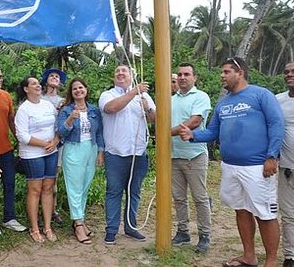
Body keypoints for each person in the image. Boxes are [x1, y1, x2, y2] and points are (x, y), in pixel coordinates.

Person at [179, 57, 284, 267]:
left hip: (257, 167)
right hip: (230, 167)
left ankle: (271, 261)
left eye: (226, 72)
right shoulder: (224, 102)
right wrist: (192, 135)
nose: (222, 76)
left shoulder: (261, 95)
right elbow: (213, 131)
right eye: (222, 72)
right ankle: (249, 256)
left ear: (240, 73)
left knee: (264, 213)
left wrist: (272, 156)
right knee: (241, 210)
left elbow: (276, 124)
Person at [98, 64, 156, 245]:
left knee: (134, 192)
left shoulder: (144, 96)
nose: (120, 73)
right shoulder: (107, 95)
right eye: (117, 71)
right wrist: (133, 93)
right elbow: (111, 108)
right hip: (116, 153)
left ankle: (131, 227)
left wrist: (148, 108)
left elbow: (155, 119)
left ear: (132, 75)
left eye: (124, 71)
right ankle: (111, 230)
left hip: (138, 152)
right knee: (114, 192)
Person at [169, 63, 212, 253]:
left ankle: (204, 236)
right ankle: (183, 232)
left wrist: (166, 133)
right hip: (174, 156)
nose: (182, 77)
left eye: (187, 74)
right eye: (179, 74)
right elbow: (159, 119)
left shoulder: (201, 97)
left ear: (194, 78)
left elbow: (195, 122)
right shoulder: (171, 99)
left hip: (194, 155)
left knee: (200, 198)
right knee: (179, 198)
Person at [56, 78, 104, 244]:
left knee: (84, 186)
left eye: (81, 87)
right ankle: (78, 223)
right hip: (73, 149)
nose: (78, 90)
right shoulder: (66, 110)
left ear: (86, 89)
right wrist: (70, 119)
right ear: (71, 92)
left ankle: (80, 219)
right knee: (74, 187)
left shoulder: (94, 110)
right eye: (75, 88)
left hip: (90, 149)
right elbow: (61, 131)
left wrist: (100, 152)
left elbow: (99, 133)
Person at [0, 64, 27, 235]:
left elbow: (11, 120)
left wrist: (19, 140)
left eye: (0, 76)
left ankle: (9, 218)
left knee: (9, 184)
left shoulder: (6, 96)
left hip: (6, 149)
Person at [15, 76, 60, 243]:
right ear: (26, 89)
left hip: (51, 151)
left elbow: (58, 125)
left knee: (48, 188)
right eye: (33, 83)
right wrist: (43, 144)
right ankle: (34, 228)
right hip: (32, 154)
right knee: (35, 190)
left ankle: (47, 226)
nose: (38, 85)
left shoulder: (48, 105)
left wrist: (54, 142)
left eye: (38, 83)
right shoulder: (24, 109)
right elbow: (22, 135)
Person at [276, 61, 294, 267]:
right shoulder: (278, 100)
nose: (289, 75)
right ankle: (291, 257)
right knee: (289, 215)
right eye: (286, 72)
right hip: (287, 168)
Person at [41, 68, 67, 226]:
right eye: (52, 75)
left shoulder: (63, 101)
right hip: (39, 143)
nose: (55, 78)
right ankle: (40, 208)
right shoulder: (39, 98)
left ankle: (53, 209)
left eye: (57, 76)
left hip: (57, 142)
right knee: (38, 178)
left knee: (53, 179)